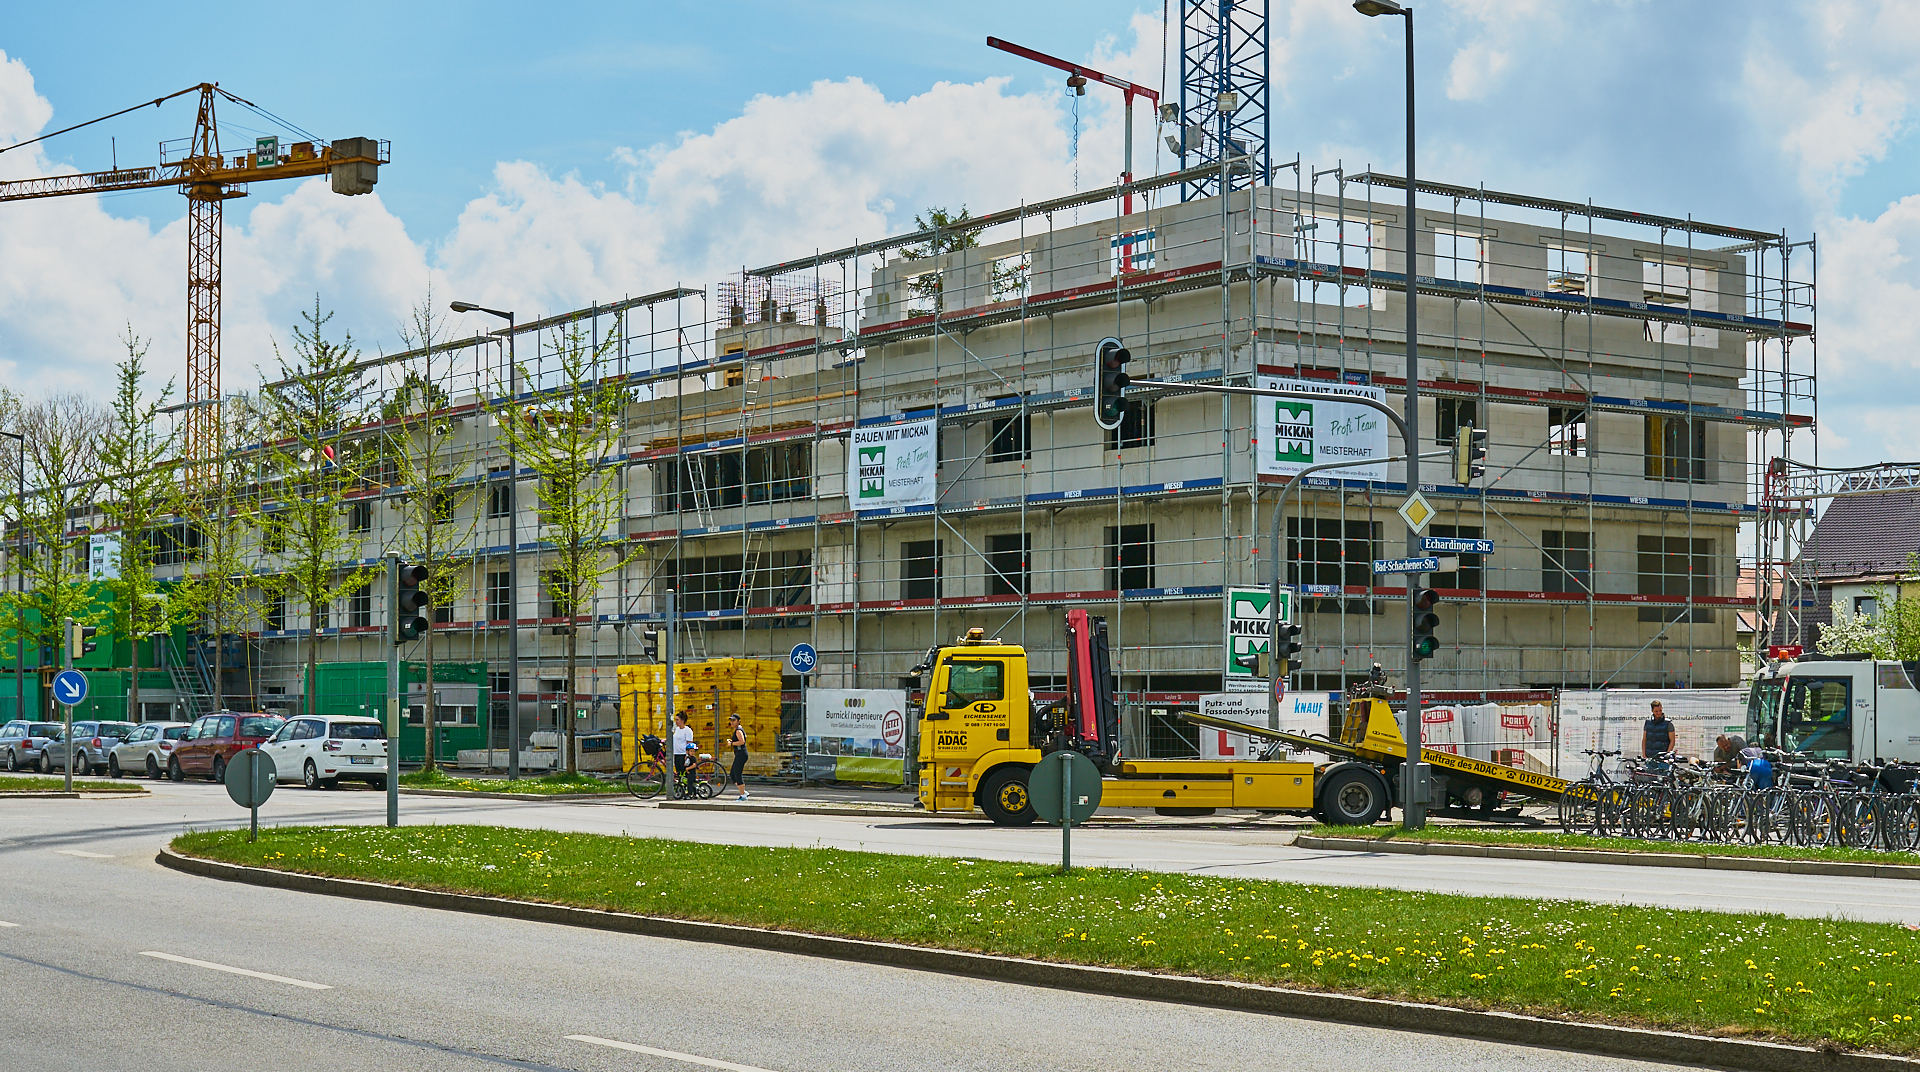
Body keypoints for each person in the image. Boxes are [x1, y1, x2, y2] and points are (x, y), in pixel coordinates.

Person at [727, 713, 750, 801]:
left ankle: (743, 796)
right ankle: (743, 791)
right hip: (739, 754)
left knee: (737, 774)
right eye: (731, 721)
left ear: (738, 721)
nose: (732, 722)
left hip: (741, 754)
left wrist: (732, 743)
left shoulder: (738, 730)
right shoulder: (737, 730)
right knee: (732, 775)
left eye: (734, 720)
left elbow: (742, 741)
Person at [671, 712, 695, 797]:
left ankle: (690, 791)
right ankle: (681, 790)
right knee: (679, 774)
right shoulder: (677, 729)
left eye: (677, 720)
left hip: (683, 754)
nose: (676, 721)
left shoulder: (687, 731)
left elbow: (689, 744)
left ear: (682, 720)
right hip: (676, 754)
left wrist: (687, 755)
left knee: (685, 774)